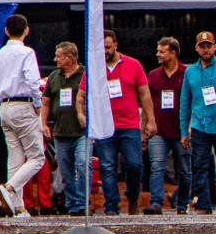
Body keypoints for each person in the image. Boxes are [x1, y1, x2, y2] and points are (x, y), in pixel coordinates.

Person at [0, 13, 45, 217]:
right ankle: (9, 188)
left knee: (15, 157)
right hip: (23, 105)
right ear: (26, 30)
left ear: (6, 31)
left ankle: (18, 208)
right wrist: (37, 105)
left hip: (4, 108)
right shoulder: (27, 53)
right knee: (37, 157)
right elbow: (34, 83)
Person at [179, 30, 216, 215]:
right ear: (197, 48)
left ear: (215, 47)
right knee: (199, 165)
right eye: (202, 46)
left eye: (209, 46)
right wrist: (183, 130)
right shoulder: (190, 72)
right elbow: (185, 102)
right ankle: (204, 204)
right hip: (199, 126)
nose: (206, 49)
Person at [97, 29, 154, 216]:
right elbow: (84, 95)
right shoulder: (95, 67)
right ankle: (111, 206)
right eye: (101, 48)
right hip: (105, 126)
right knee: (108, 167)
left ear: (115, 45)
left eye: (107, 47)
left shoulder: (133, 64)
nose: (104, 51)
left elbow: (144, 94)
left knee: (134, 164)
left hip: (129, 125)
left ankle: (132, 196)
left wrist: (150, 121)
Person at [143, 37, 189, 215]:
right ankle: (156, 203)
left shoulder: (188, 74)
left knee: (185, 170)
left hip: (181, 130)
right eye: (158, 51)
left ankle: (182, 203)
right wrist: (144, 128)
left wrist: (191, 126)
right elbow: (146, 105)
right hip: (158, 130)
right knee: (157, 166)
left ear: (173, 53)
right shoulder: (153, 75)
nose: (158, 54)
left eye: (162, 51)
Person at [41, 41, 88, 216]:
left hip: (82, 132)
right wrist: (44, 124)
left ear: (69, 58)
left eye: (58, 56)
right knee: (66, 172)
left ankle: (83, 202)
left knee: (83, 164)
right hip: (61, 132)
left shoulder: (86, 75)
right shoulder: (53, 77)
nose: (55, 59)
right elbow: (45, 102)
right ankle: (74, 204)